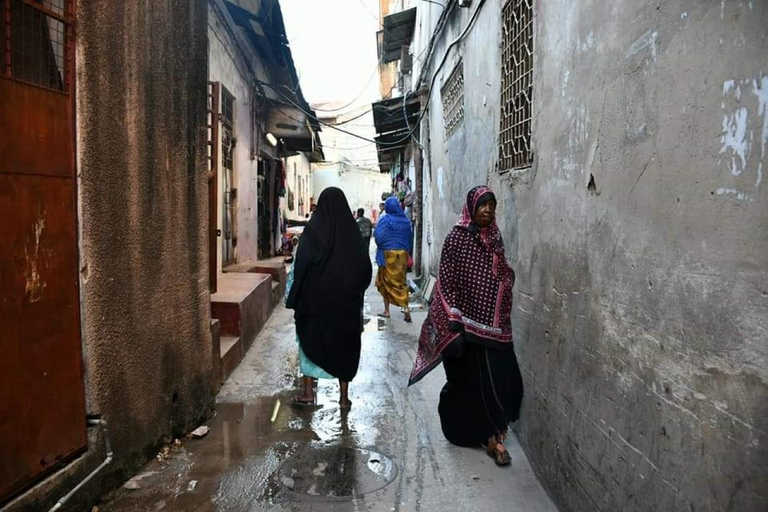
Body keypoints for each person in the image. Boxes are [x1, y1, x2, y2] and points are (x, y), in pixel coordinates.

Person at [408, 186, 523, 467]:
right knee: (466, 381)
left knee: (495, 381)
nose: (488, 211)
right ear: (471, 208)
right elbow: (446, 281)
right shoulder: (456, 239)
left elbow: (501, 274)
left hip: (493, 330)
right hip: (463, 329)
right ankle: (468, 432)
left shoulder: (495, 237)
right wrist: (455, 320)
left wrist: (506, 281)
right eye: (483, 205)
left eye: (492, 206)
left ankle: (495, 437)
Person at [286, 187, 372, 409]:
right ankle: (343, 398)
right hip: (345, 305)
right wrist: (354, 290)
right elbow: (365, 268)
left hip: (315, 301)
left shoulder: (313, 230)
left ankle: (308, 393)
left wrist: (295, 295)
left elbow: (302, 264)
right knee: (344, 346)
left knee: (309, 340)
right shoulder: (351, 232)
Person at [374, 197, 413, 322]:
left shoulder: (385, 219)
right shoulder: (406, 221)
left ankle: (387, 311)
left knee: (385, 282)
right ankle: (406, 308)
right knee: (401, 282)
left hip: (387, 254)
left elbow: (378, 237)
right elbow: (410, 238)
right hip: (402, 254)